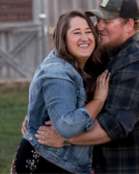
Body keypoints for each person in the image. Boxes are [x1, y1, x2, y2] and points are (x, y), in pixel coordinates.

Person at [33, 0, 139, 174]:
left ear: (129, 25)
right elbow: (71, 97)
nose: (99, 27)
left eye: (107, 22)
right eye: (98, 20)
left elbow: (113, 126)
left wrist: (63, 138)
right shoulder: (105, 55)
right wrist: (38, 117)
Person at [12, 10, 110, 174]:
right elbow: (68, 125)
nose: (84, 38)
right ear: (63, 39)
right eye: (76, 33)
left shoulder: (81, 65)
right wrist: (98, 100)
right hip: (45, 162)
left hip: (63, 161)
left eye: (88, 32)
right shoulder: (57, 72)